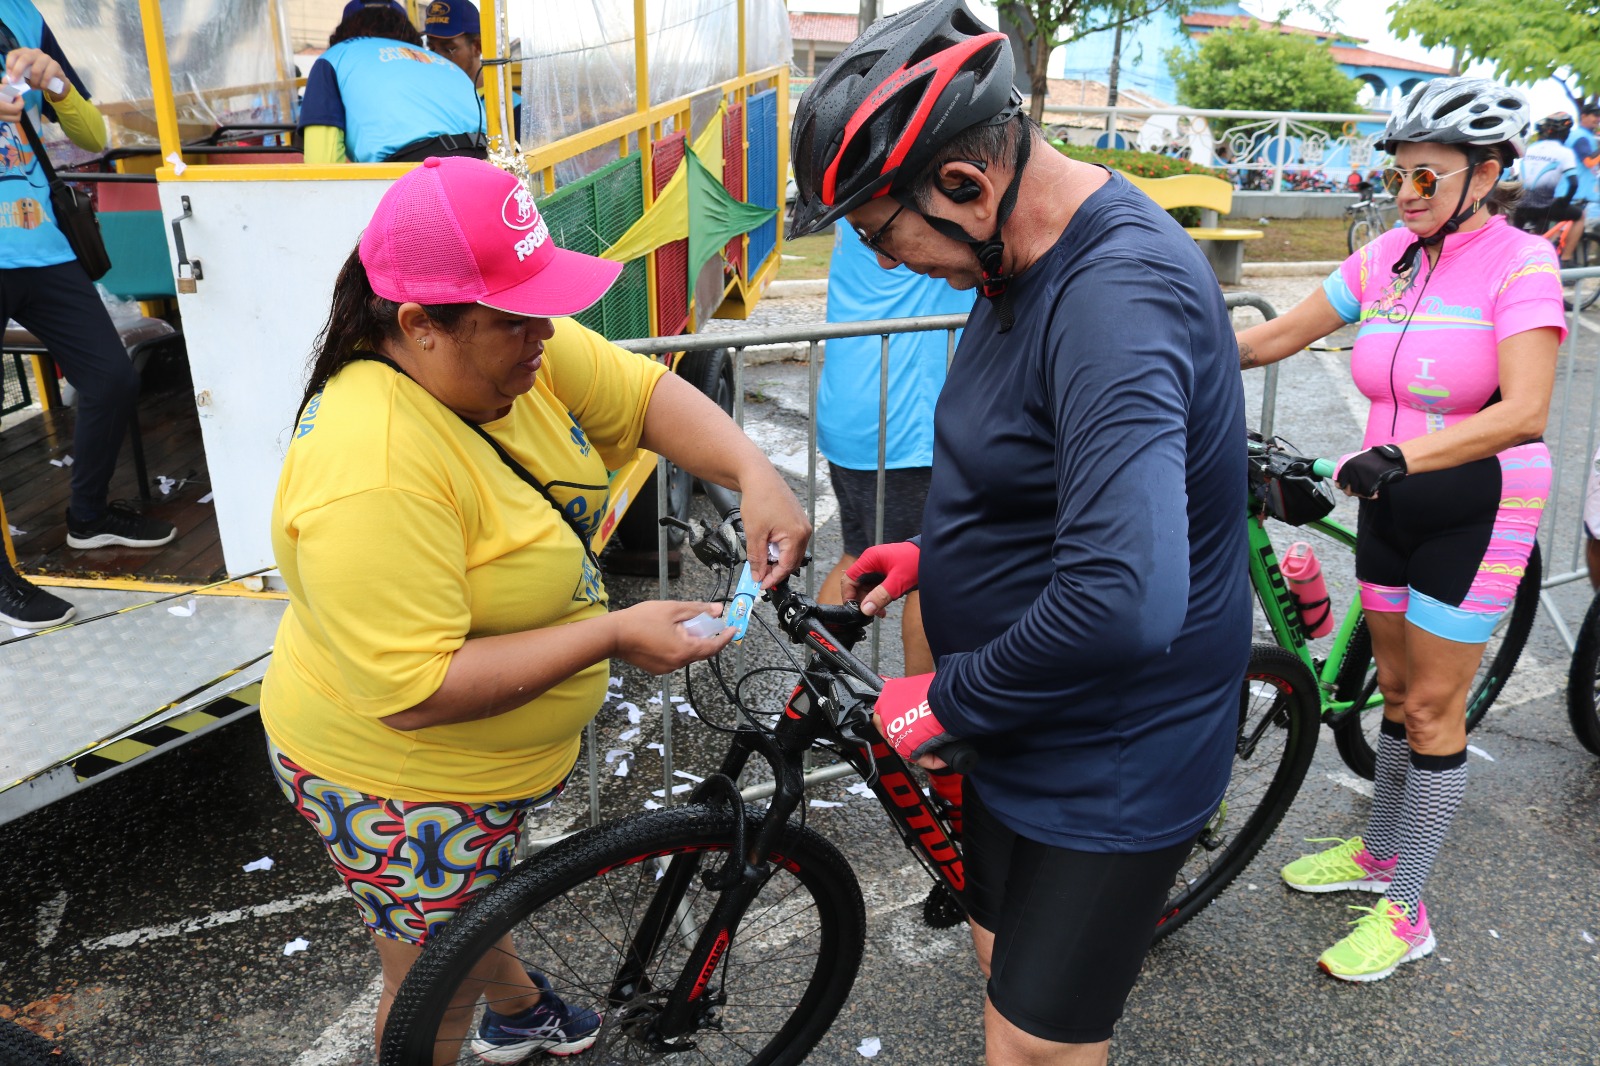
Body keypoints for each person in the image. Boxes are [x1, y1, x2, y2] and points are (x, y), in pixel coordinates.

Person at [260, 155, 810, 1061]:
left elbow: (640, 394)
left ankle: (516, 1010)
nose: (542, 338)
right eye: (516, 321)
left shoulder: (511, 356)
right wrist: (611, 634)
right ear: (419, 325)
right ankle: (487, 1014)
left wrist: (753, 474)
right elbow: (417, 688)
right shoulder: (373, 469)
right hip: (405, 782)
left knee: (474, 905)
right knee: (428, 984)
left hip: (485, 766)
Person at [788, 2, 1249, 1062]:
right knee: (1002, 964)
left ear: (963, 183)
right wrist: (932, 555)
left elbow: (1122, 600)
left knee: (1034, 1045)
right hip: (1024, 716)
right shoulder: (1011, 252)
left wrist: (943, 699)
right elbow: (1042, 471)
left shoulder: (1114, 300)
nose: (889, 262)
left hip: (1113, 742)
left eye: (876, 231)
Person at [1236, 78, 1563, 982]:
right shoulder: (1390, 256)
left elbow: (1527, 410)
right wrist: (1148, 352)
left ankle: (1408, 907)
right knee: (1392, 684)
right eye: (1400, 177)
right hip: (1389, 500)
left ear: (1487, 174)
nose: (1408, 194)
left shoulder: (1521, 263)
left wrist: (1406, 462)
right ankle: (1378, 853)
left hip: (1478, 505)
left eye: (1429, 177)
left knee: (1428, 707)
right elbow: (1272, 339)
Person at [0, 0, 177, 631]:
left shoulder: (20, 14)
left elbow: (91, 136)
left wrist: (55, 80)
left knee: (111, 377)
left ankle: (88, 516)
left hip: (42, 247)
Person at [814, 220, 973, 678]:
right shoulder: (914, 209)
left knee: (857, 557)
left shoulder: (860, 205)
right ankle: (920, 724)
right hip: (904, 417)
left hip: (855, 409)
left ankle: (813, 703)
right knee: (931, 575)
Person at [298, 0, 486, 165]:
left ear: (344, 29)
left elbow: (323, 162)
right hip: (485, 161)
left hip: (415, 170)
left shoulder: (334, 58)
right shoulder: (441, 62)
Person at [422, 0, 521, 142]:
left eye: (449, 49)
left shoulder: (511, 109)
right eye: (431, 48)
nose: (437, 58)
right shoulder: (429, 99)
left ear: (478, 46)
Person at [1513, 112, 1582, 232]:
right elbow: (1574, 184)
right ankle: (1566, 252)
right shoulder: (1565, 152)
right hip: (1544, 206)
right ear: (1566, 133)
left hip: (1519, 205)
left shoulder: (1530, 148)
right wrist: (1564, 202)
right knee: (1580, 215)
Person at [1566, 104, 1599, 226]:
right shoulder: (1581, 136)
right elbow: (1589, 162)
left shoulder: (1585, 136)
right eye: (1595, 115)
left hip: (1579, 193)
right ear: (1583, 116)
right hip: (1576, 194)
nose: (1598, 118)